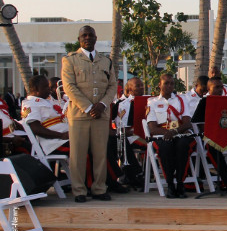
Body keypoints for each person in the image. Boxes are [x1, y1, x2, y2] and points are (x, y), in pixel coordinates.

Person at [61, 25, 117, 203]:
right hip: (79, 115)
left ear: (95, 38)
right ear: (79, 39)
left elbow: (112, 86)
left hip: (101, 114)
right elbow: (69, 87)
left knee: (100, 153)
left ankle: (99, 189)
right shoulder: (70, 60)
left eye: (90, 35)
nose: (87, 38)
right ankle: (79, 190)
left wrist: (101, 104)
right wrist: (87, 107)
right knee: (77, 154)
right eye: (84, 35)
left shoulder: (105, 61)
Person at [146, 73, 194, 199]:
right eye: (166, 83)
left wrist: (174, 132)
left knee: (183, 146)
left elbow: (187, 123)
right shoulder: (152, 102)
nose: (169, 86)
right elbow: (152, 127)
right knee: (166, 148)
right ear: (159, 85)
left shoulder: (181, 100)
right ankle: (170, 184)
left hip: (179, 134)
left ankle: (180, 183)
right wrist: (167, 133)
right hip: (162, 136)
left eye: (172, 83)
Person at [20, 75, 70, 155]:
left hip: (65, 138)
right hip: (55, 143)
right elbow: (36, 128)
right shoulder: (30, 104)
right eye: (46, 87)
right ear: (36, 89)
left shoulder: (47, 101)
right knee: (84, 149)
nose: (49, 89)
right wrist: (61, 135)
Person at [111, 77, 146, 189]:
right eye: (138, 86)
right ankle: (135, 173)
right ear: (129, 90)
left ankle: (136, 173)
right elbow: (123, 128)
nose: (142, 88)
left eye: (142, 85)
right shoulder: (124, 104)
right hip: (133, 136)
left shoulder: (149, 100)